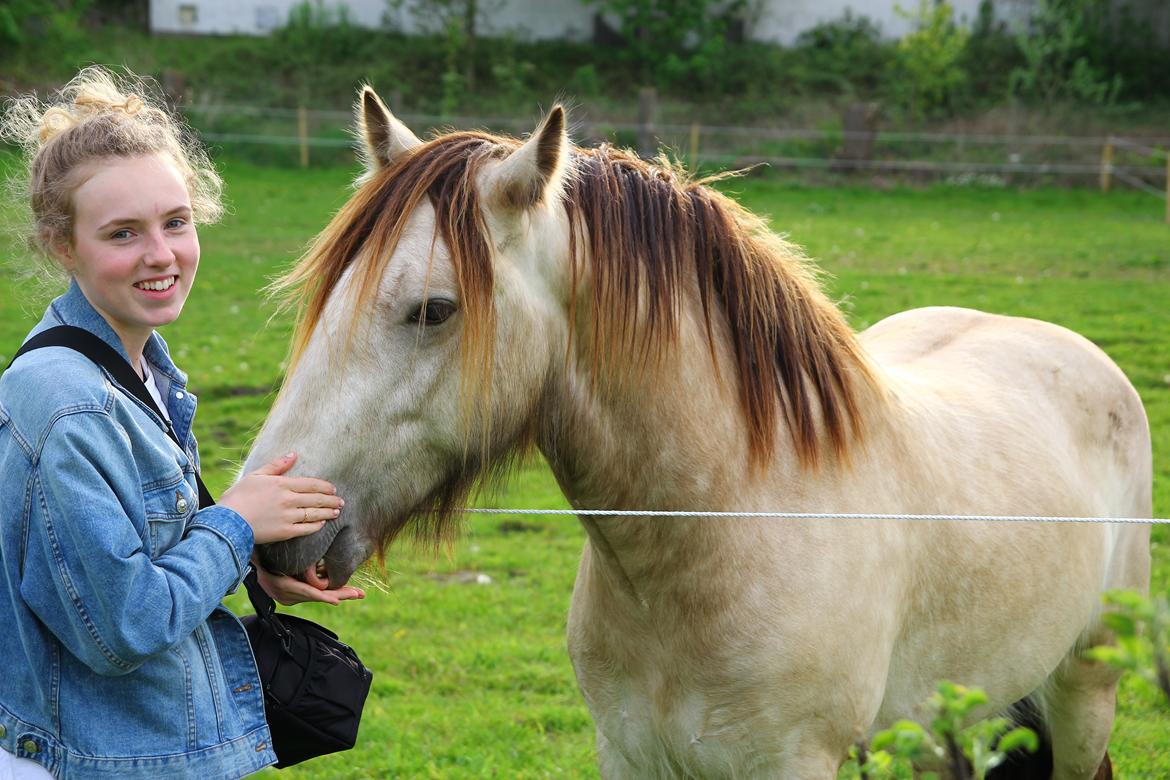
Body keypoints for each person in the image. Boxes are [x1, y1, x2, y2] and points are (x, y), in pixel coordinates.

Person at [0, 66, 364, 779]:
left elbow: (122, 559)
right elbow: (124, 626)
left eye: (176, 222)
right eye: (122, 233)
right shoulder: (69, 405)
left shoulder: (136, 368)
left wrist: (249, 561)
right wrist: (233, 526)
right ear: (60, 245)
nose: (161, 255)